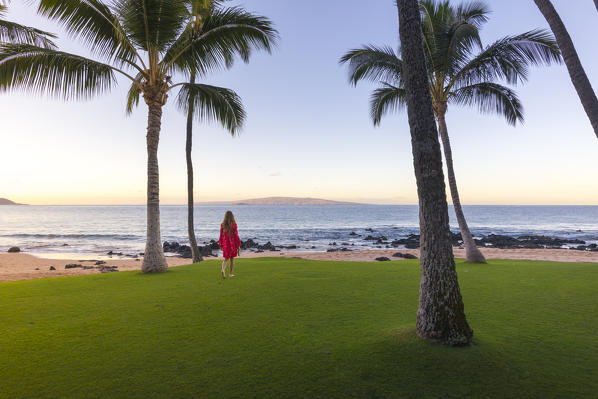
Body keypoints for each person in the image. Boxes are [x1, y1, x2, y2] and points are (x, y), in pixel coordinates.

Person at [219, 210, 241, 279]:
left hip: (225, 244)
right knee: (232, 259)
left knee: (226, 259)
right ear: (232, 216)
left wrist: (221, 244)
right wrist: (238, 245)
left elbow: (221, 236)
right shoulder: (234, 225)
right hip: (232, 245)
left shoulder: (222, 224)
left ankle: (223, 270)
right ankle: (230, 274)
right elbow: (236, 236)